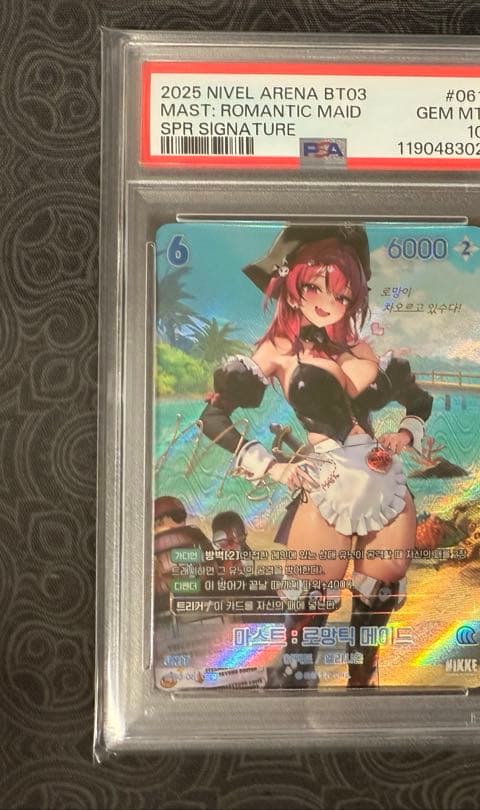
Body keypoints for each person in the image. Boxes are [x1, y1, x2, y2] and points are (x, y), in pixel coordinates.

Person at [199, 225, 433, 688]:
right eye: (316, 288)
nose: (329, 302)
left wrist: (405, 433)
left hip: (386, 482)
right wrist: (272, 467)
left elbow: (418, 401)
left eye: (342, 295)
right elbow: (213, 418)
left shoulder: (360, 349)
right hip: (325, 480)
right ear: (293, 283)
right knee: (311, 601)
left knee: (378, 597)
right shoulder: (279, 350)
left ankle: (362, 681)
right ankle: (295, 687)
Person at [152, 495, 213, 616]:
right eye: (176, 516)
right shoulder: (194, 534)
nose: (181, 520)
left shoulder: (192, 535)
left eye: (180, 516)